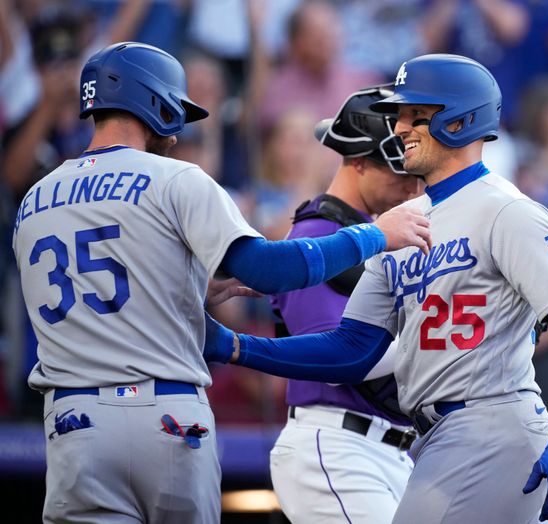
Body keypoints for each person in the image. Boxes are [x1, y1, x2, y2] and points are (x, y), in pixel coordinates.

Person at [11, 41, 431, 524]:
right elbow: (270, 270)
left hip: (72, 421)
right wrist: (375, 235)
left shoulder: (34, 198)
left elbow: (91, 290)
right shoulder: (176, 178)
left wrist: (183, 289)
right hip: (165, 413)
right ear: (155, 103)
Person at [205, 54, 548, 523]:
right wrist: (236, 347)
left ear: (460, 119)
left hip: (495, 423)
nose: (398, 128)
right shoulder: (399, 227)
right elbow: (349, 350)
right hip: (434, 440)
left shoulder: (506, 210)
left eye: (415, 115)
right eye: (399, 115)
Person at [269, 84, 422, 523]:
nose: (412, 188)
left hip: (390, 448)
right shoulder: (315, 236)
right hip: (335, 444)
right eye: (399, 173)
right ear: (357, 160)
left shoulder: (383, 234)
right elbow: (335, 356)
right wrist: (438, 345)